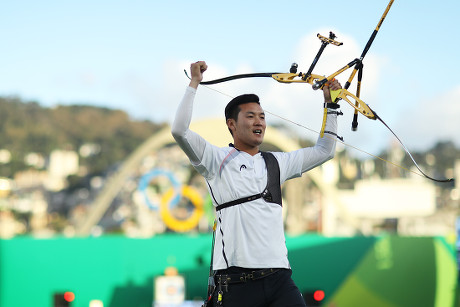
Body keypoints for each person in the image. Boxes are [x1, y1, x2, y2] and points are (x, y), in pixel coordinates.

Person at [171, 61, 341, 307]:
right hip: (236, 283)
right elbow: (179, 130)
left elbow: (325, 150)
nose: (259, 122)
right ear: (231, 124)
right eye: (250, 116)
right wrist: (194, 83)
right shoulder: (214, 159)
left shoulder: (278, 162)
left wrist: (331, 104)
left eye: (262, 117)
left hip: (280, 279)